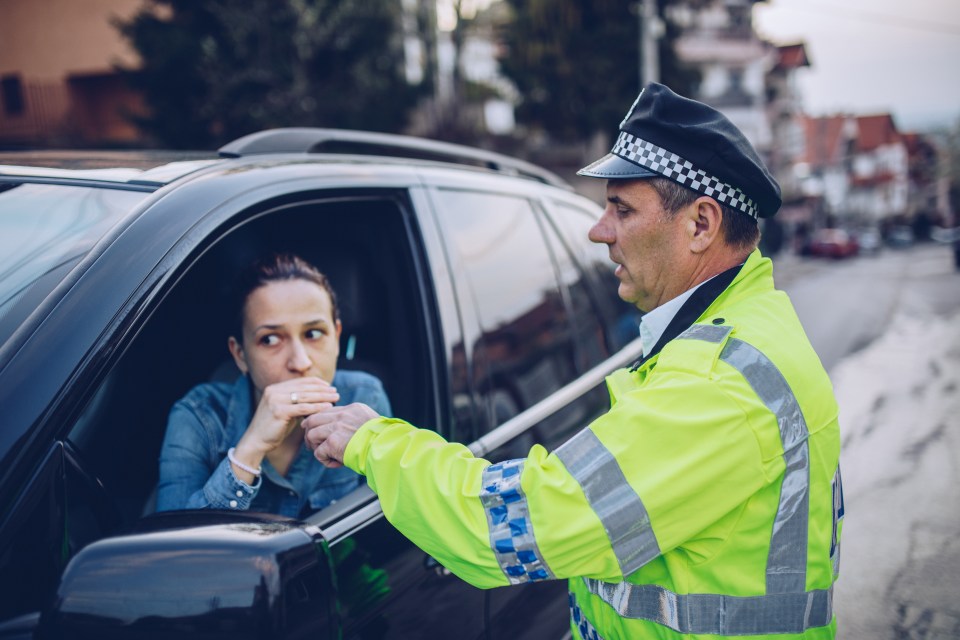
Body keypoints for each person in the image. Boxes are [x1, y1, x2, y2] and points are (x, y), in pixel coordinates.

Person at [302, 84, 843, 639]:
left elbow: (511, 527)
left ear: (701, 225)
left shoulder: (715, 386)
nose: (598, 229)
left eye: (621, 208)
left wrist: (371, 440)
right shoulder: (748, 329)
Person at [156, 252, 391, 517]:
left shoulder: (365, 397)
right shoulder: (199, 417)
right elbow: (172, 549)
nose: (300, 362)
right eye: (270, 339)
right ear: (240, 354)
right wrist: (249, 450)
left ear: (336, 338)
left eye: (313, 334)